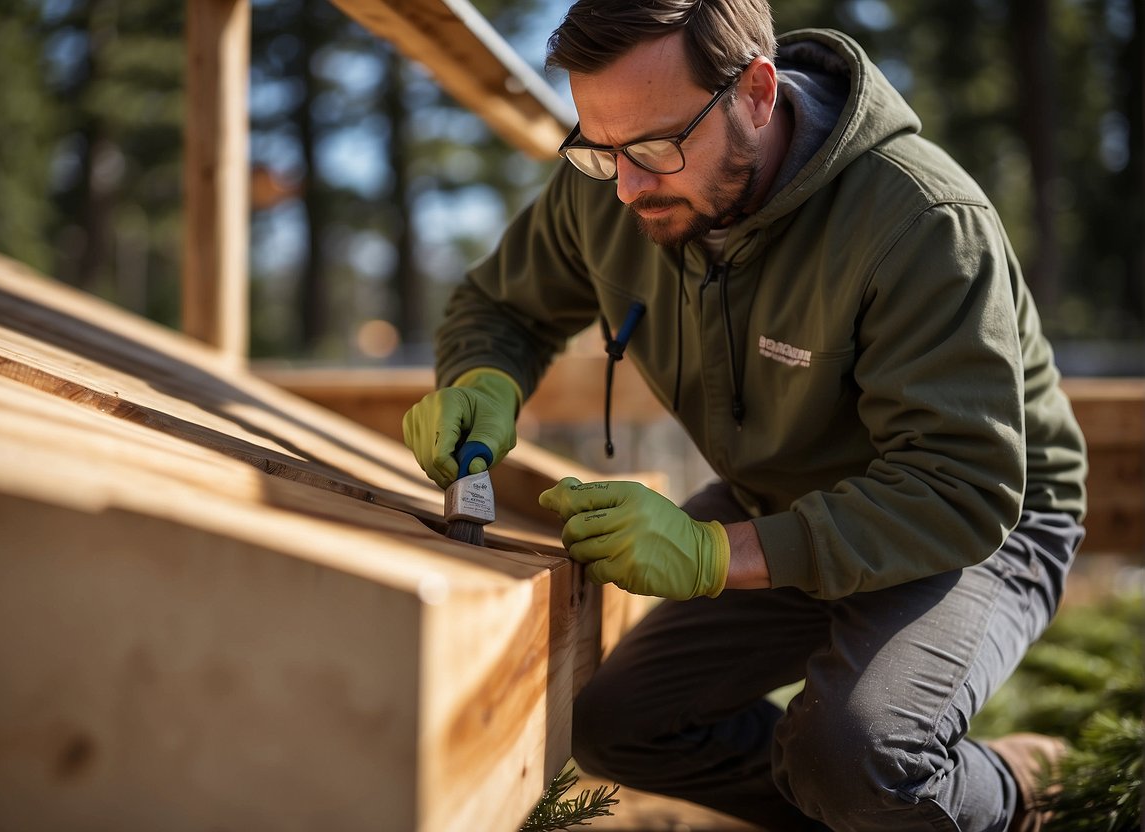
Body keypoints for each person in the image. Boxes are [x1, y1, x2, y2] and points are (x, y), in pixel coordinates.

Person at [402, 1, 1088, 829]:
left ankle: (1017, 792)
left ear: (756, 93)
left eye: (655, 146)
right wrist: (483, 379)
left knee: (855, 754)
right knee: (621, 727)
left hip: (977, 519)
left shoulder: (922, 221)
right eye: (599, 149)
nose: (626, 185)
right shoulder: (616, 183)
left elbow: (961, 485)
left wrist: (712, 552)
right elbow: (501, 307)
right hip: (782, 493)